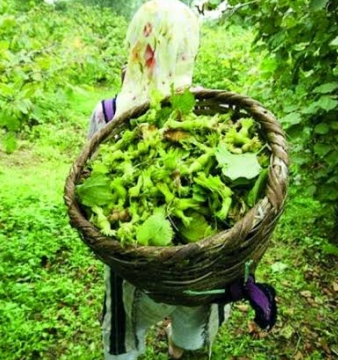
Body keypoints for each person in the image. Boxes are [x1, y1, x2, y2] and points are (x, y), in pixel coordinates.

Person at [86, 1, 232, 359]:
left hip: (134, 272)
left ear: (135, 44)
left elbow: (89, 189)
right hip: (198, 271)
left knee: (123, 340)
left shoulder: (106, 114)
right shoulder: (207, 109)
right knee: (189, 339)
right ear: (189, 49)